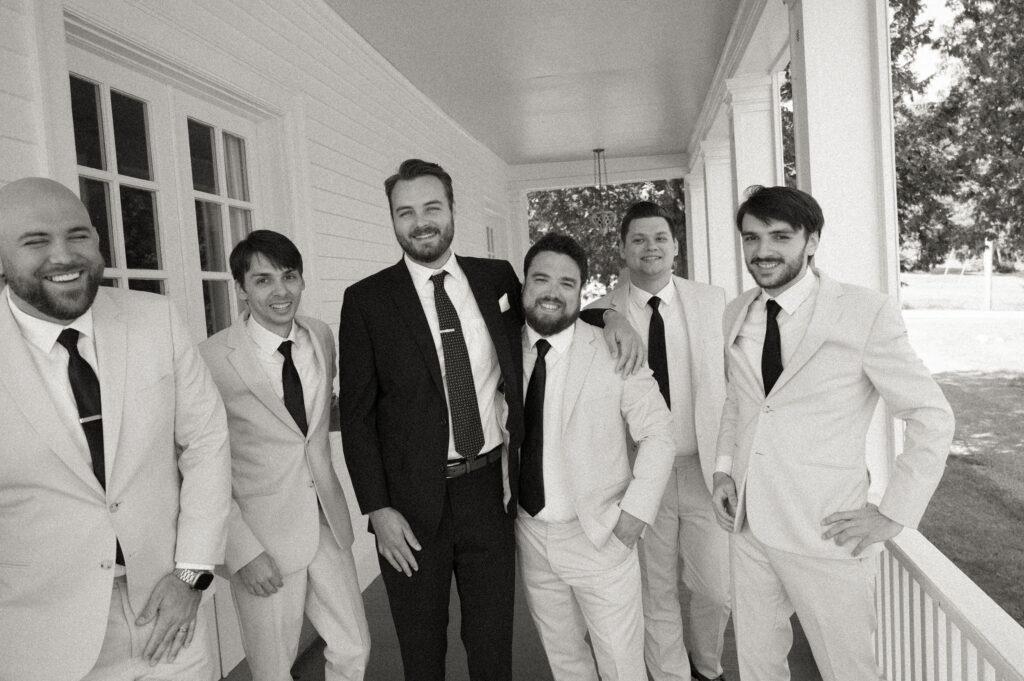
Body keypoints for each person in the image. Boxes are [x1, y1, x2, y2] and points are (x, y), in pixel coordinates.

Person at [338, 159, 640, 681]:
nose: (420, 221)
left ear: (452, 210)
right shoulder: (367, 301)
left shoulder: (494, 278)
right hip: (409, 506)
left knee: (491, 641)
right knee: (421, 647)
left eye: (432, 207)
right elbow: (357, 416)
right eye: (405, 212)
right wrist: (377, 508)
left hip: (488, 494)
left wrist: (611, 315)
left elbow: (550, 307)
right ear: (392, 220)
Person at [711, 185, 955, 681]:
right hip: (749, 524)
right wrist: (722, 471)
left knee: (849, 670)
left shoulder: (865, 312)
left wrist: (893, 513)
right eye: (751, 237)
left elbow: (931, 416)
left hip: (826, 531)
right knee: (757, 666)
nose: (763, 251)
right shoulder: (736, 311)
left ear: (813, 240)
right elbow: (741, 401)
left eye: (780, 236)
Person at [0, 177, 231, 681]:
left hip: (168, 610)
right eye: (36, 241)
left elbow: (207, 442)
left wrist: (191, 575)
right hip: (37, 635)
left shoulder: (155, 319)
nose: (64, 255)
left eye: (78, 235)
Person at [199, 230, 370, 681]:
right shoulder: (211, 359)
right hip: (261, 540)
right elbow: (198, 464)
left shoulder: (319, 335)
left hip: (326, 522)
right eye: (263, 280)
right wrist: (239, 551)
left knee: (354, 646)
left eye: (289, 276)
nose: (280, 291)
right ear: (241, 289)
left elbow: (312, 421)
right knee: (273, 668)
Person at [516, 233, 675, 681]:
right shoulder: (503, 347)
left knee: (622, 665)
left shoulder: (613, 347)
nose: (552, 292)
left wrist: (636, 514)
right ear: (524, 285)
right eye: (540, 279)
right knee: (564, 659)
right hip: (530, 533)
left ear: (582, 291)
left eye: (567, 283)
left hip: (601, 533)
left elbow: (658, 433)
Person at [586, 201, 731, 681]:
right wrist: (610, 316)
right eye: (639, 240)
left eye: (660, 238)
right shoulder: (600, 314)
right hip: (640, 475)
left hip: (703, 469)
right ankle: (671, 675)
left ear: (675, 246)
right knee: (656, 590)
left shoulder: (713, 301)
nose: (651, 248)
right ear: (623, 250)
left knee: (716, 589)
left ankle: (708, 668)